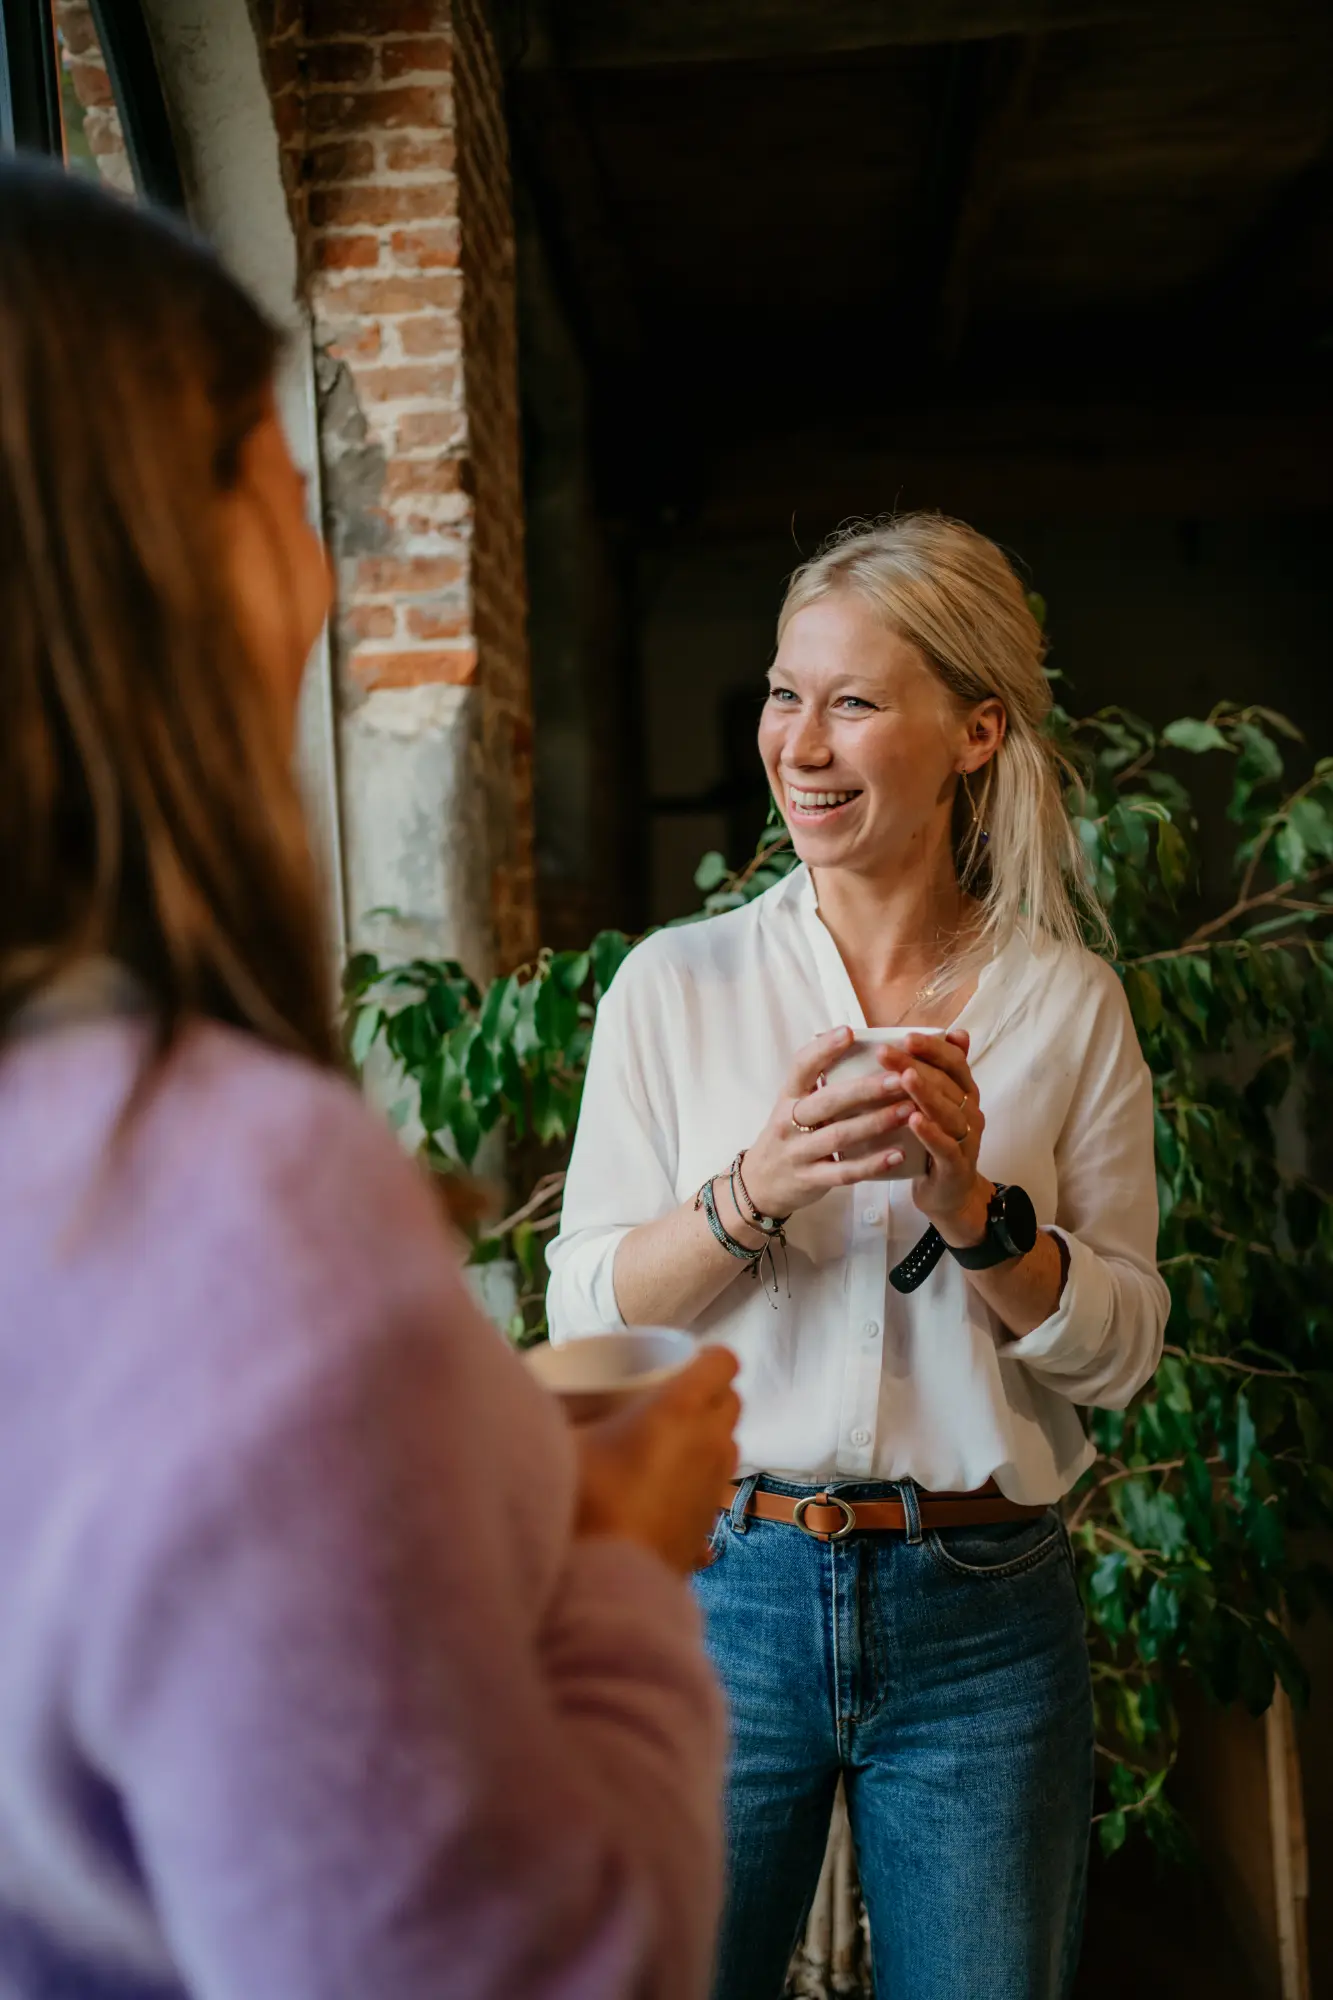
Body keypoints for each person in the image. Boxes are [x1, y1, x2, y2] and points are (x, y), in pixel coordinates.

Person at [0, 156, 740, 2000]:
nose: (328, 577)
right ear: (152, 555)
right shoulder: (222, 1200)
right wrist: (623, 1564)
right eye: (279, 481)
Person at [548, 513, 1170, 2000]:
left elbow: (1124, 1353)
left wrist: (980, 1218)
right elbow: (581, 1313)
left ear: (977, 730)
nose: (800, 742)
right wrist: (754, 1192)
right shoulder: (673, 986)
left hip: (982, 1619)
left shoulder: (1067, 1007)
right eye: (784, 692)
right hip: (716, 1593)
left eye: (853, 702)